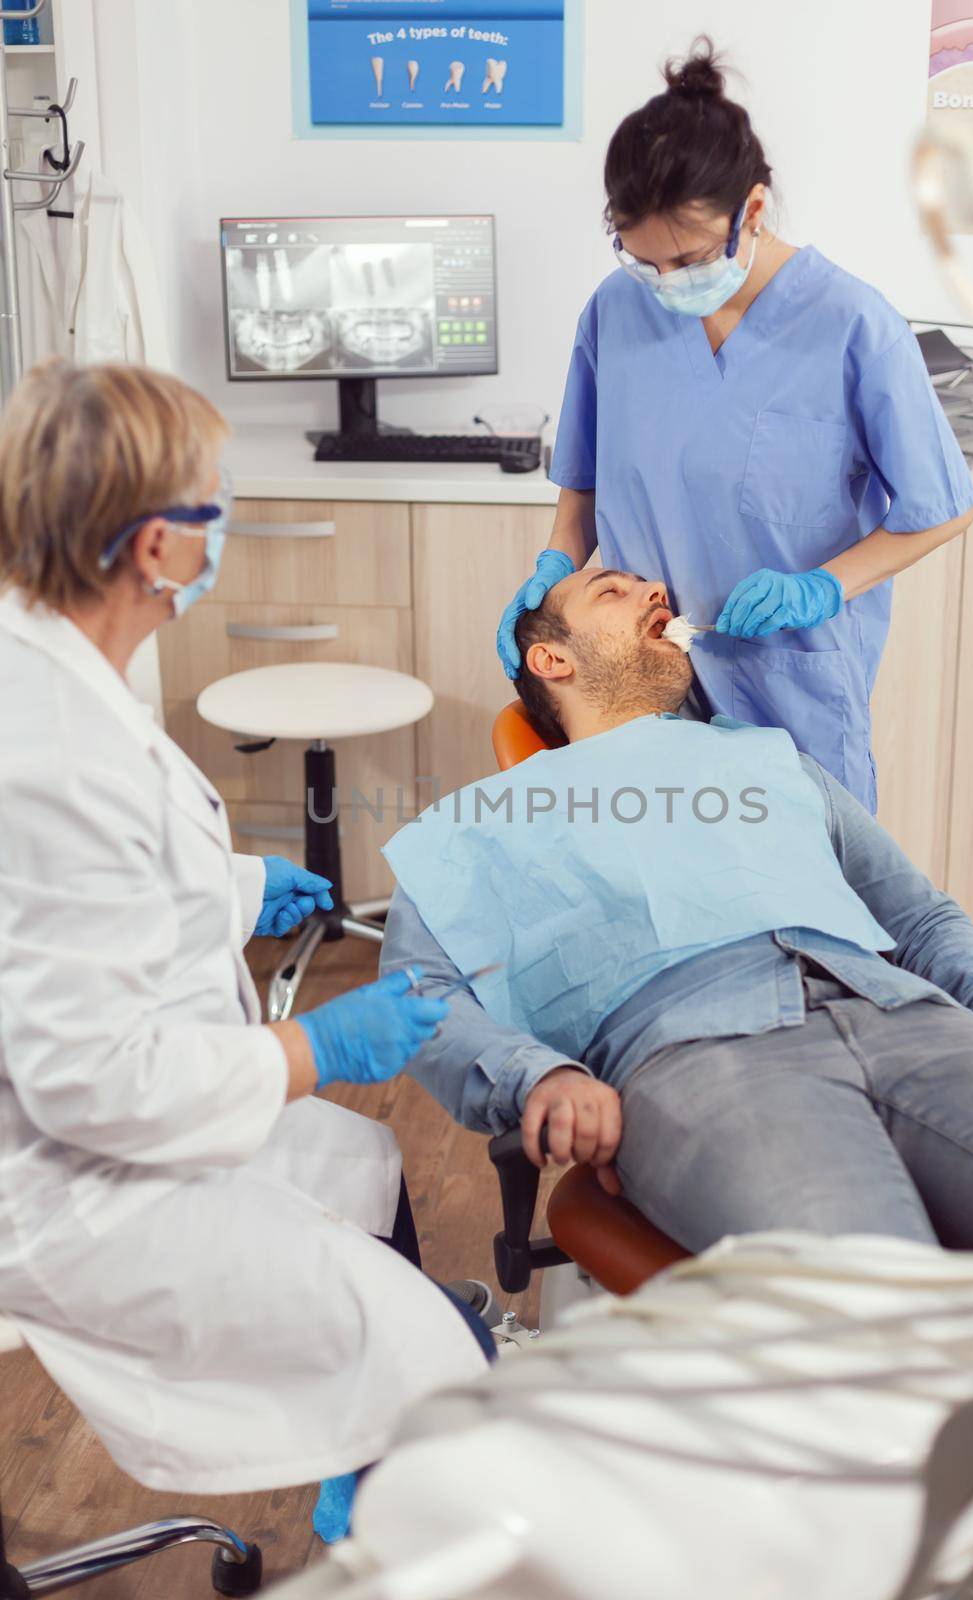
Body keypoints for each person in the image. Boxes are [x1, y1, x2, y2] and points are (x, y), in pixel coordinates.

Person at [0, 359, 494, 1502]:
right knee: (433, 1367)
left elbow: (86, 897)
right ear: (151, 544)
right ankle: (389, 1490)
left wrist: (232, 887)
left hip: (119, 1105)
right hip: (72, 1181)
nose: (222, 520)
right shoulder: (48, 750)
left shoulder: (54, 672)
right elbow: (92, 1081)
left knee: (364, 1164)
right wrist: (313, 1048)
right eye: (211, 499)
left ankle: (357, 1472)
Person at [382, 565, 973, 1257]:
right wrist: (537, 1076)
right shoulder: (475, 823)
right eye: (612, 590)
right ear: (551, 658)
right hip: (700, 1062)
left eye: (652, 587)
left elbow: (917, 916)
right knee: (872, 1305)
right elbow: (416, 996)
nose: (657, 594)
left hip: (909, 1017)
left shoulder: (772, 762)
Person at [497, 37, 973, 814]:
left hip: (787, 679)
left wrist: (822, 589)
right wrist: (550, 576)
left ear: (751, 209)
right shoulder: (614, 313)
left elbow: (941, 510)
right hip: (639, 682)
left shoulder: (851, 324)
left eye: (685, 259)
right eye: (641, 259)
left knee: (803, 892)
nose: (664, 283)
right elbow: (579, 492)